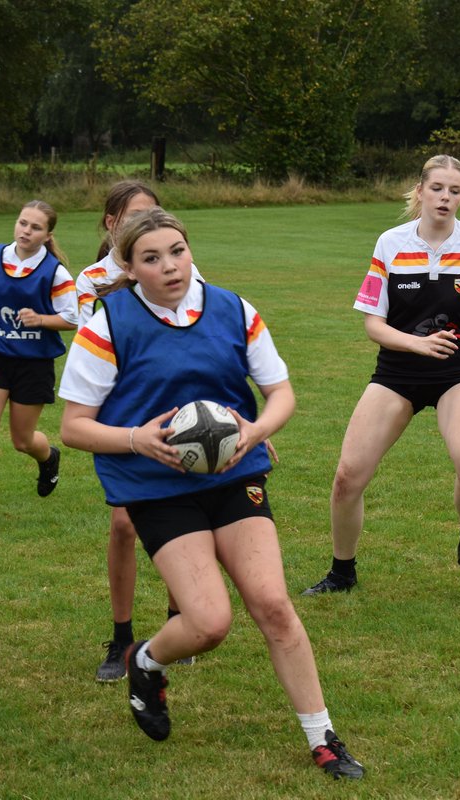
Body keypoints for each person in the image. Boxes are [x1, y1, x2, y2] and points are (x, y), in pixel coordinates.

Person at [59, 208, 364, 779]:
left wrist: (255, 431)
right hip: (156, 488)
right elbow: (73, 426)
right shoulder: (108, 323)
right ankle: (145, 661)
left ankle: (322, 736)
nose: (170, 266)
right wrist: (135, 439)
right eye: (151, 258)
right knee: (209, 623)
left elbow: (281, 394)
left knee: (273, 604)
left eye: (177, 250)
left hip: (232, 475)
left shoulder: (232, 309)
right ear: (128, 265)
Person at [303, 154, 460, 601]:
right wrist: (417, 344)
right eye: (437, 189)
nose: (445, 198)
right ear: (420, 192)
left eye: (454, 191)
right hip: (399, 370)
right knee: (347, 476)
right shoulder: (390, 244)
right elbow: (373, 325)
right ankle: (342, 572)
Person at [76, 181, 184, 681]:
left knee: (183, 512)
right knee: (124, 524)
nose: (148, 222)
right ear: (111, 224)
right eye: (135, 216)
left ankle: (178, 619)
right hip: (121, 412)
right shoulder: (93, 281)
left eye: (154, 212)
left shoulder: (177, 263)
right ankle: (121, 636)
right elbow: (93, 350)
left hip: (174, 404)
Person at [0, 200, 77, 527]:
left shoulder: (55, 271)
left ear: (48, 234)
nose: (26, 231)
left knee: (21, 440)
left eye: (35, 227)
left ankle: (48, 457)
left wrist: (40, 319)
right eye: (23, 223)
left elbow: (72, 318)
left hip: (34, 364)